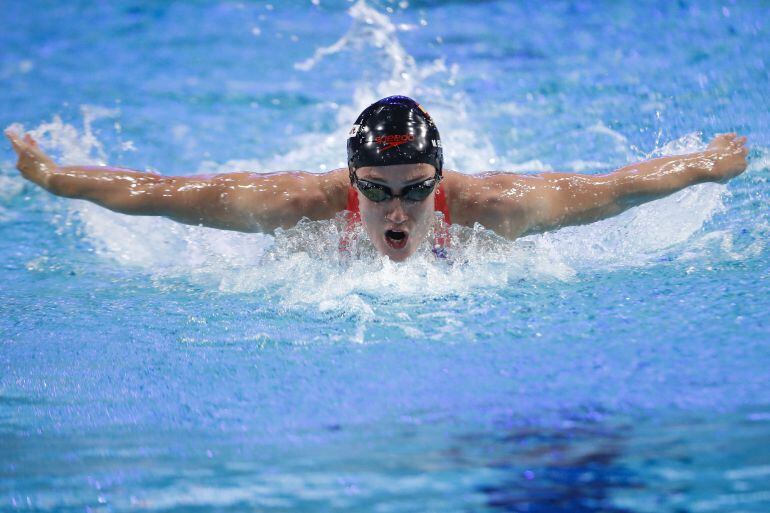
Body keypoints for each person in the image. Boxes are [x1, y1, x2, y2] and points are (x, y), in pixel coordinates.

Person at [5, 95, 749, 262]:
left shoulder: (495, 208)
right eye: (380, 191)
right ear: (350, 182)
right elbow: (160, 194)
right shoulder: (297, 204)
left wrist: (709, 165)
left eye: (419, 188)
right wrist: (54, 177)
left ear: (443, 180)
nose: (400, 209)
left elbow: (618, 186)